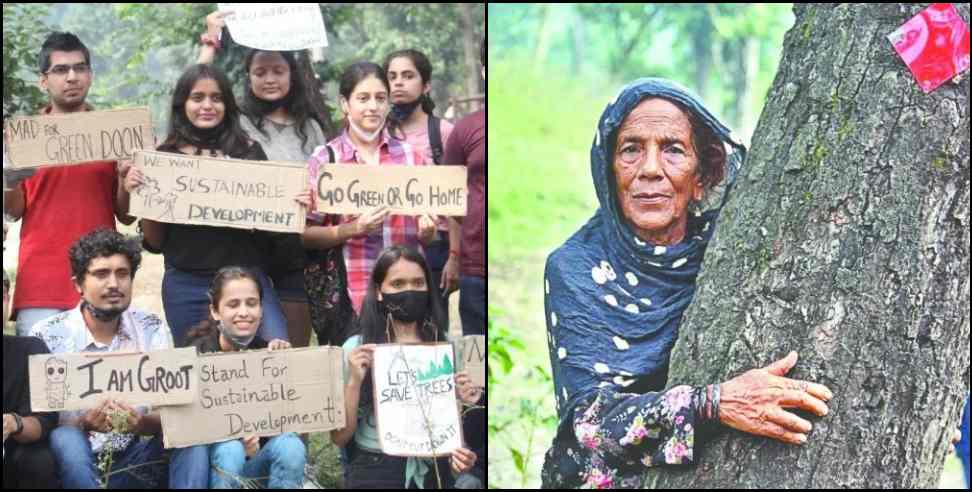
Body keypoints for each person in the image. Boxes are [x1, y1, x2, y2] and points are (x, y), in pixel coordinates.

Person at [540, 78, 839, 488]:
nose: (649, 169)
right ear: (608, 169)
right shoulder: (576, 267)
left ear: (702, 176)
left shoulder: (733, 248)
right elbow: (589, 423)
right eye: (630, 149)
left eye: (673, 150)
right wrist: (714, 404)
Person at [126, 63, 312, 347]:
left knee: (276, 360)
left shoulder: (248, 152)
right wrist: (145, 195)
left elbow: (275, 227)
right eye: (197, 98)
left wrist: (294, 204)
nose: (207, 106)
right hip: (186, 284)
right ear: (182, 105)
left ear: (227, 105)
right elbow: (155, 241)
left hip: (247, 280)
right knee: (198, 372)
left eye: (216, 98)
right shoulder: (163, 158)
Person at [28, 229, 209, 488]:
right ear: (78, 284)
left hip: (135, 461)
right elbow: (39, 423)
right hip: (69, 468)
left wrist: (141, 424)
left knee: (190, 436)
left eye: (122, 274)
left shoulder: (151, 328)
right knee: (66, 437)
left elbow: (174, 413)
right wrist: (83, 424)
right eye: (101, 274)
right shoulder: (46, 334)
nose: (114, 283)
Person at [197, 10, 332, 348]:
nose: (269, 78)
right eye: (260, 72)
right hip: (247, 251)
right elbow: (196, 90)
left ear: (292, 75)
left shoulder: (312, 129)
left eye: (278, 71)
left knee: (292, 350)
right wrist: (211, 40)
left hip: (297, 253)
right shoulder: (235, 122)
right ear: (248, 77)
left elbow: (325, 188)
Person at [4, 32, 136, 337]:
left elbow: (126, 215)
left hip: (103, 279)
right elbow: (14, 211)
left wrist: (124, 179)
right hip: (41, 283)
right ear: (43, 80)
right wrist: (10, 179)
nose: (72, 77)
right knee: (40, 381)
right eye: (61, 70)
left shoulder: (113, 135)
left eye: (80, 68)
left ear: (90, 75)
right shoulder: (25, 137)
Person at [331, 246, 480, 488]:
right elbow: (339, 437)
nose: (409, 290)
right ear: (380, 291)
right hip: (375, 467)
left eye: (418, 283)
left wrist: (460, 456)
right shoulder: (356, 349)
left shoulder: (446, 347)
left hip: (434, 466)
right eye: (398, 284)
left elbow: (453, 436)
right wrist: (354, 383)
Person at [304, 62, 437, 318]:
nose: (373, 106)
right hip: (350, 295)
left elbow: (427, 237)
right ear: (345, 104)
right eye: (363, 98)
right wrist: (353, 228)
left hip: (407, 296)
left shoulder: (412, 158)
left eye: (380, 98)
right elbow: (305, 234)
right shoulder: (326, 160)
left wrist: (428, 231)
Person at [184, 266, 306, 489]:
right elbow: (187, 430)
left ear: (261, 309)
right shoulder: (196, 355)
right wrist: (233, 441)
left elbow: (290, 420)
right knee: (231, 450)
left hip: (258, 466)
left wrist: (286, 368)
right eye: (233, 304)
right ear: (215, 311)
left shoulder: (268, 354)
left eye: (252, 303)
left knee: (291, 445)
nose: (244, 312)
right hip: (213, 468)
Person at [384, 49, 461, 304]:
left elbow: (455, 202)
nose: (398, 82)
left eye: (408, 76)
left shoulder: (443, 132)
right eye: (392, 76)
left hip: (434, 246)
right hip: (386, 241)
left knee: (432, 326)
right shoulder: (378, 132)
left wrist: (454, 256)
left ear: (425, 85)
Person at [3, 270, 61, 489]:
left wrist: (14, 423)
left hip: (13, 455)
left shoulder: (31, 350)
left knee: (38, 460)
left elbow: (43, 421)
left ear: (8, 300)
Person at [444, 39, 486, 336]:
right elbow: (451, 199)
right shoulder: (465, 129)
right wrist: (455, 256)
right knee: (476, 362)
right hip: (474, 266)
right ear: (485, 71)